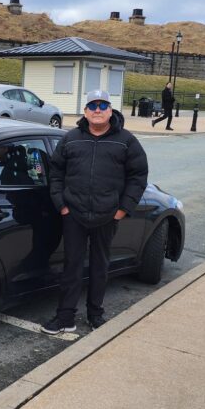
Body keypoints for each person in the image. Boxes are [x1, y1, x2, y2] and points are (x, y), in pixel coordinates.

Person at [44, 90, 149, 334]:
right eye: (93, 105)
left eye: (103, 105)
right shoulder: (71, 139)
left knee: (100, 266)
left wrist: (123, 209)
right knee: (71, 266)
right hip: (75, 215)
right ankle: (65, 317)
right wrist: (62, 205)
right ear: (85, 112)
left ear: (111, 111)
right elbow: (56, 173)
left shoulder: (126, 141)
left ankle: (95, 315)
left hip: (107, 215)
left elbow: (138, 176)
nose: (98, 110)